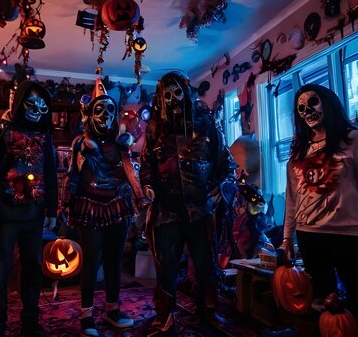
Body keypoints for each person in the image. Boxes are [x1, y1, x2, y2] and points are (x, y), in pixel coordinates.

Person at [279, 84, 358, 336]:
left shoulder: (355, 140)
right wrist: (286, 238)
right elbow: (292, 199)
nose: (307, 111)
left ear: (327, 102)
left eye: (312, 102)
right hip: (309, 235)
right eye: (301, 108)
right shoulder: (298, 150)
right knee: (321, 302)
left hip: (349, 235)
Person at [140, 71, 235, 335]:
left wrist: (220, 190)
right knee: (166, 266)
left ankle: (208, 312)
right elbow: (146, 165)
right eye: (166, 95)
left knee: (206, 265)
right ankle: (166, 317)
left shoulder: (207, 126)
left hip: (201, 209)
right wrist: (147, 186)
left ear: (186, 93)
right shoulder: (155, 129)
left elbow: (226, 166)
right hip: (167, 210)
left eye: (177, 93)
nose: (172, 100)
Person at [61, 78, 150, 337]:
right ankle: (86, 314)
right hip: (89, 207)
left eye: (110, 110)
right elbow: (73, 176)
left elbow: (130, 175)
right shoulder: (81, 142)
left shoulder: (122, 143)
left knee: (114, 261)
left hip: (116, 206)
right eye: (99, 109)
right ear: (90, 114)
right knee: (91, 262)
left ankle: (112, 309)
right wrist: (66, 205)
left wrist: (140, 191)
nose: (105, 115)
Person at [0, 80, 58, 337]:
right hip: (5, 213)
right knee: (1, 271)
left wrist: (52, 210)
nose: (36, 109)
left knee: (33, 269)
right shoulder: (0, 132)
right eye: (31, 103)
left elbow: (50, 174)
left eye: (42, 105)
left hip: (34, 214)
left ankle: (30, 323)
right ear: (21, 101)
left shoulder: (45, 137)